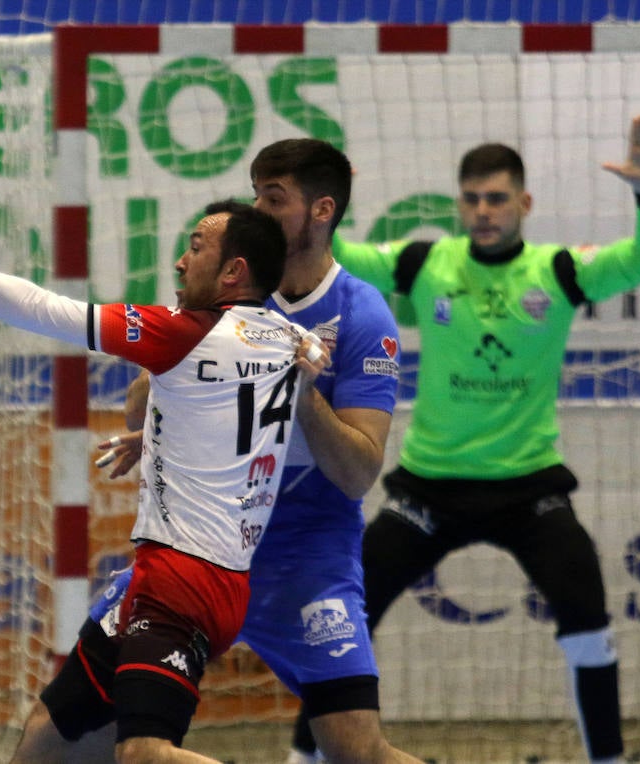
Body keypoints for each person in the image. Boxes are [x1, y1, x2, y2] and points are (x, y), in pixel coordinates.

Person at [0, 196, 329, 764]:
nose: (180, 262)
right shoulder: (289, 338)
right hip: (181, 577)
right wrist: (155, 436)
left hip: (182, 583)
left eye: (196, 248)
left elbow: (37, 305)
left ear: (234, 272)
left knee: (142, 754)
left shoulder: (183, 333)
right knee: (47, 738)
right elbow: (232, 410)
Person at [286, 114, 640, 764]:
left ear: (524, 203)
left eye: (496, 199)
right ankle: (304, 758)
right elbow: (339, 260)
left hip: (530, 490)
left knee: (589, 623)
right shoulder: (427, 263)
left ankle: (607, 760)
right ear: (459, 204)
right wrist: (330, 207)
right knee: (340, 623)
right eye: (472, 199)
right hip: (429, 487)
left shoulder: (561, 271)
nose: (483, 211)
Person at [32, 139, 422, 764]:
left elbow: (356, 474)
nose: (258, 212)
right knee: (49, 748)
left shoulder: (362, 315)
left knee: (357, 751)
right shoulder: (233, 290)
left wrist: (297, 390)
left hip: (304, 556)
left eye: (274, 199)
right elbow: (138, 405)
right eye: (254, 194)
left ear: (322, 211)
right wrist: (173, 403)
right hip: (202, 548)